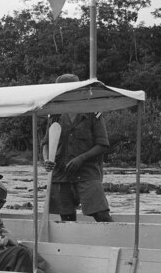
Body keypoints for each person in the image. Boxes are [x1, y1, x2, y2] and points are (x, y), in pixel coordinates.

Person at [42, 73, 113, 222]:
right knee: (66, 218)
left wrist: (81, 159)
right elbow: (46, 143)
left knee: (101, 214)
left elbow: (102, 145)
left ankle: (116, 236)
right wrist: (47, 159)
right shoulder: (54, 114)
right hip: (60, 175)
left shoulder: (93, 112)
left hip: (87, 173)